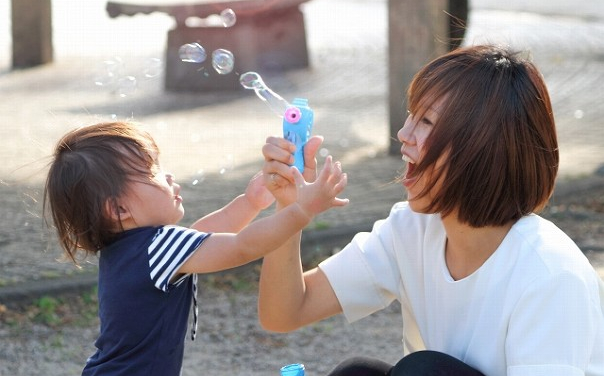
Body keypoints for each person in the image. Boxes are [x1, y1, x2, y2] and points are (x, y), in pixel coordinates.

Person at [258, 45, 604, 376]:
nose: (403, 133)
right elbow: (285, 312)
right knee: (358, 373)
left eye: (425, 122)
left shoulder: (548, 274)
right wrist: (289, 208)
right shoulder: (412, 230)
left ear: (481, 148)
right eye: (411, 115)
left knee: (423, 371)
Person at [43, 121, 348, 376]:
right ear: (120, 210)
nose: (169, 175)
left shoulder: (133, 247)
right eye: (152, 171)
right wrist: (301, 211)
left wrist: (252, 201)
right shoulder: (156, 247)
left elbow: (203, 234)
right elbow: (242, 247)